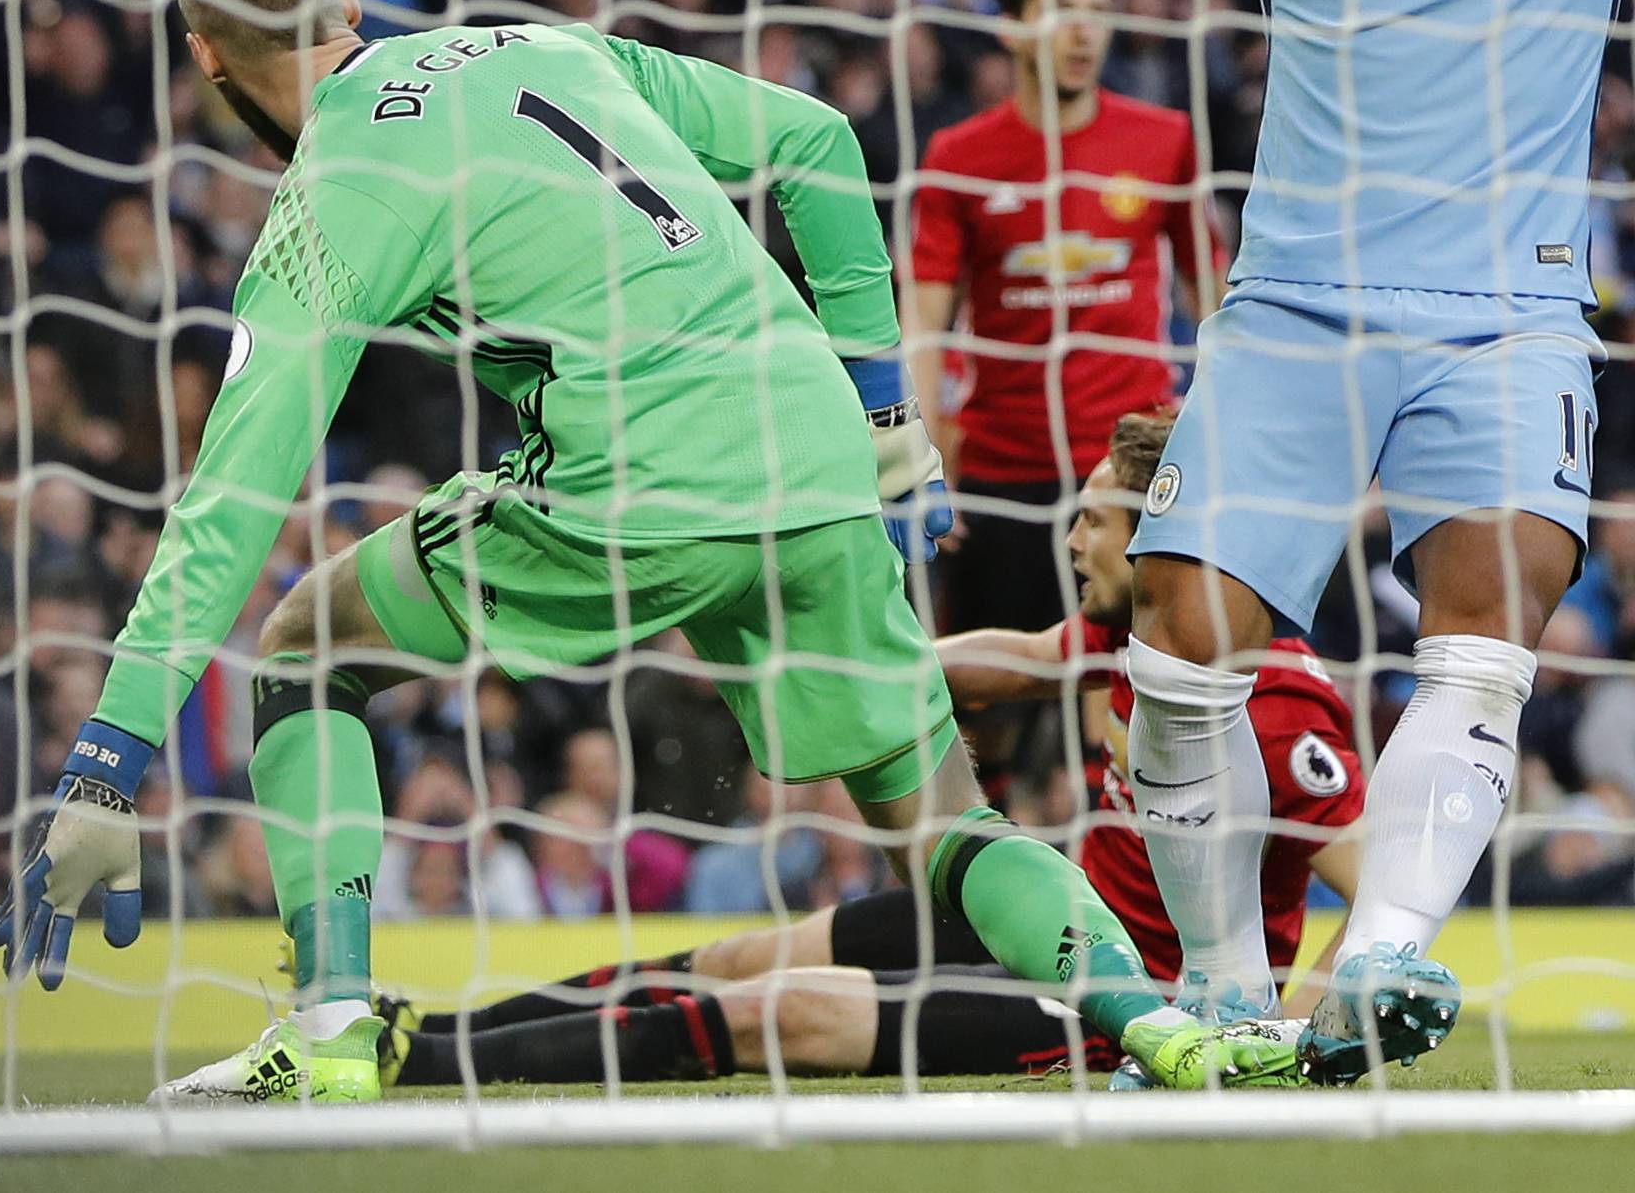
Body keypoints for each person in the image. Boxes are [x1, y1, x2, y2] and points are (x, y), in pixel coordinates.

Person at [0, 0, 1300, 1102]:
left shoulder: (331, 199)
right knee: (945, 819)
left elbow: (234, 493)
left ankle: (330, 1022)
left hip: (634, 484)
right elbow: (817, 139)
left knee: (302, 652)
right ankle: (1161, 1023)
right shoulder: (541, 46)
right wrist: (887, 415)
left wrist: (112, 756)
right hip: (812, 455)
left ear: (205, 56)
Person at [1128, 0, 1635, 1083]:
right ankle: (1221, 994)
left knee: (1492, 621)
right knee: (1181, 629)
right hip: (1300, 292)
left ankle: (1384, 957)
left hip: (1511, 302)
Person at [369, 411, 1364, 1092]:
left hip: (1124, 1004)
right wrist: (834, 658)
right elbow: (1012, 660)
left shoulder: (1275, 702)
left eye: (1094, 520)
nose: (1070, 539)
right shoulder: (1135, 635)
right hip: (1046, 919)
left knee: (779, 1010)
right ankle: (419, 1034)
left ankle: (420, 1071)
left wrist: (1285, 1034)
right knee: (733, 955)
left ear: (1166, 533)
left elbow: (1374, 890)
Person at [906, 0, 1225, 635]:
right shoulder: (958, 159)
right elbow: (924, 329)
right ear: (1013, 30)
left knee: (1132, 681)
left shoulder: (1164, 139)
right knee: (991, 695)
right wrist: (920, 464)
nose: (1083, 32)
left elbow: (1216, 300)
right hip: (1005, 469)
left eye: (1096, 12)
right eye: (1060, 12)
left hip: (1134, 458)